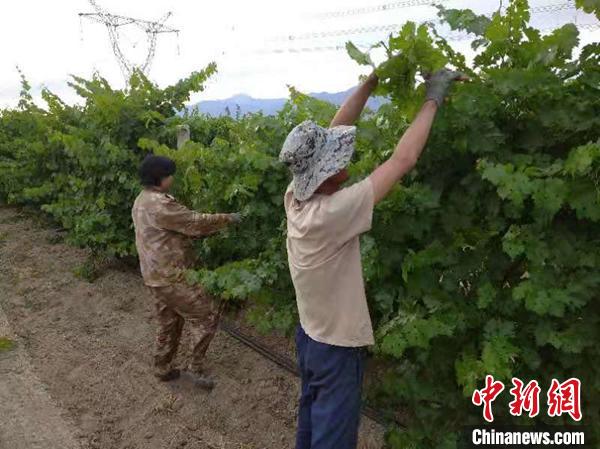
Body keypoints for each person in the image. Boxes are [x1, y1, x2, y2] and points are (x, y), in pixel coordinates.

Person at [279, 68, 465, 449]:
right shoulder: (334, 213)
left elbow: (335, 126)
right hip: (335, 347)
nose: (348, 156)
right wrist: (434, 96)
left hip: (310, 334)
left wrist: (369, 84)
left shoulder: (296, 198)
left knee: (312, 416)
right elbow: (403, 160)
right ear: (327, 173)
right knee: (334, 435)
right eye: (339, 157)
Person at [132, 155, 241, 389]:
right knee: (205, 315)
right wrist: (228, 218)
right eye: (170, 174)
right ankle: (196, 369)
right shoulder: (161, 205)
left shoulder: (141, 200)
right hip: (171, 276)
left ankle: (162, 367)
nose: (173, 178)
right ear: (160, 178)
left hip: (154, 276)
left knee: (169, 321)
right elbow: (194, 222)